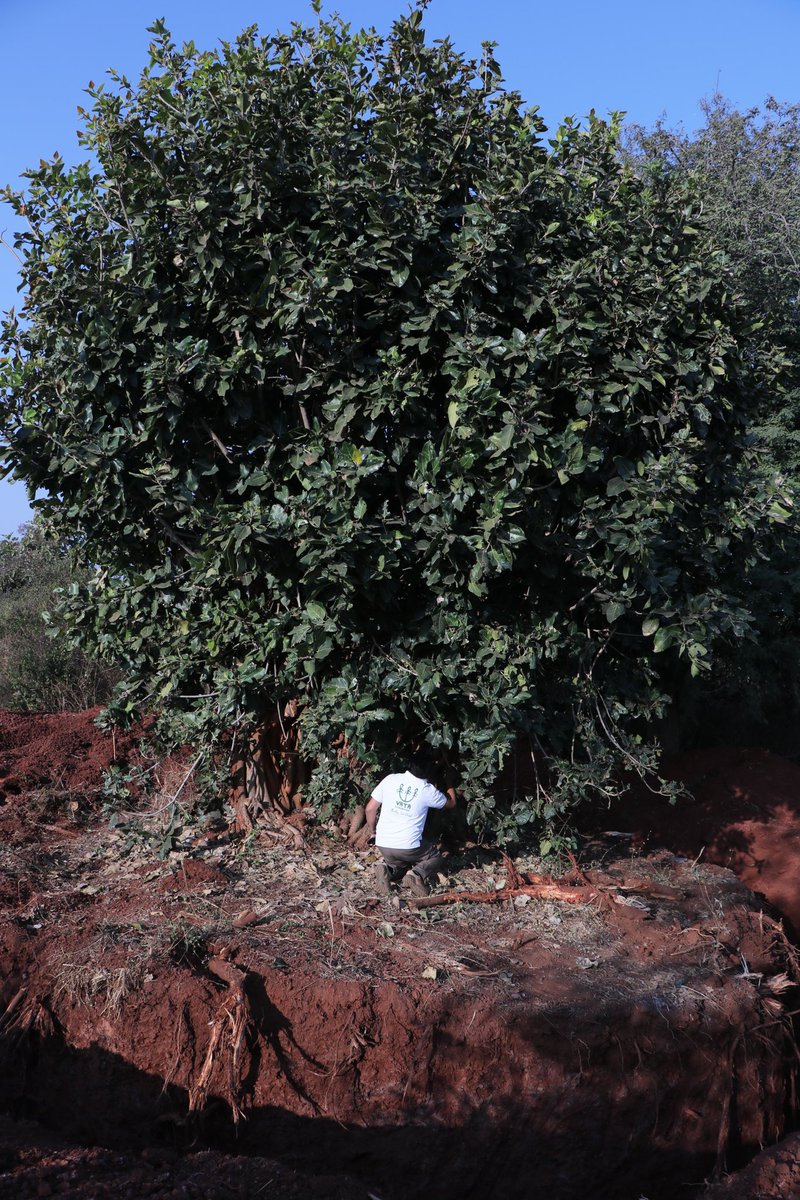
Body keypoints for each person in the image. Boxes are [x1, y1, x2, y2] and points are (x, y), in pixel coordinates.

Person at [365, 751, 456, 897]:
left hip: (383, 843)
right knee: (436, 857)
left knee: (400, 867)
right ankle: (416, 874)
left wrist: (373, 832)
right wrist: (450, 782)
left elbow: (370, 809)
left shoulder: (390, 779)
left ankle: (388, 870)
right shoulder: (428, 790)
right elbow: (451, 804)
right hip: (408, 846)